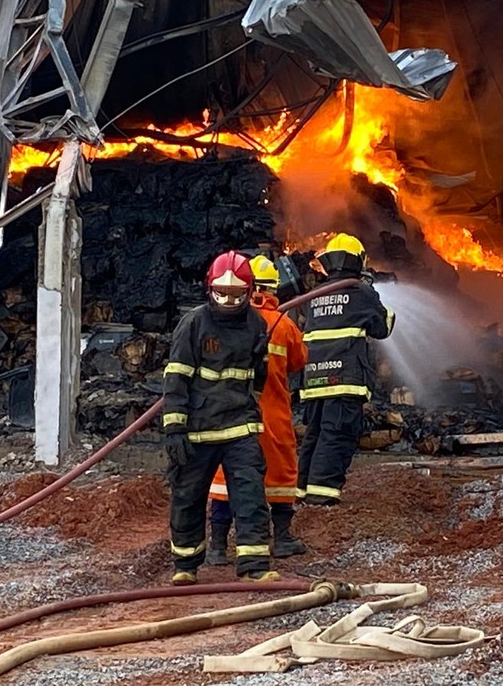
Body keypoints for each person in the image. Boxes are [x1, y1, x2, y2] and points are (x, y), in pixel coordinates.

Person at [162, 250, 279, 585]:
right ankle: (185, 565)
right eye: (222, 294)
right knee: (187, 496)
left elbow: (259, 379)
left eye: (237, 295)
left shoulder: (257, 324)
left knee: (250, 495)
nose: (229, 301)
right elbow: (177, 378)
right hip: (198, 430)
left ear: (250, 290)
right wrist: (174, 429)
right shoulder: (194, 324)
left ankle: (254, 565)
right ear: (209, 288)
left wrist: (258, 371)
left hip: (240, 427)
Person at [207, 255, 309, 565]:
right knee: (279, 474)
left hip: (230, 413)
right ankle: (282, 539)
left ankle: (217, 548)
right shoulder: (284, 324)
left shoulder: (223, 320)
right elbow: (298, 362)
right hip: (272, 414)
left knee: (226, 478)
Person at [298, 233, 394, 505]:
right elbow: (382, 328)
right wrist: (373, 293)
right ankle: (322, 495)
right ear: (359, 260)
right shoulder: (361, 292)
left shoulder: (314, 296)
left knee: (315, 434)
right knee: (337, 434)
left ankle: (302, 490)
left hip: (314, 378)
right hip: (344, 378)